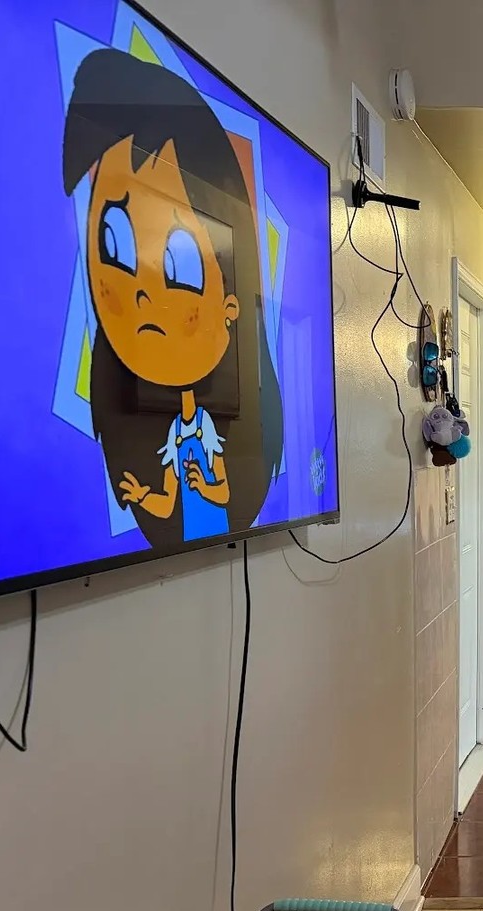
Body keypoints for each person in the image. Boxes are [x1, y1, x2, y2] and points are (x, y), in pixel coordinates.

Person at [64, 49, 283, 545]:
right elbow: (167, 496)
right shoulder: (173, 436)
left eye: (178, 260)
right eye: (113, 243)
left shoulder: (207, 431)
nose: (141, 292)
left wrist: (209, 484)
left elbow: (221, 488)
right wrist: (144, 496)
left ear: (232, 305)